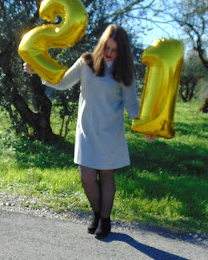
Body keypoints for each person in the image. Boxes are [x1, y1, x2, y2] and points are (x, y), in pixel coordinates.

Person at [24, 24, 152, 239]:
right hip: (87, 128)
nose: (109, 53)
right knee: (86, 176)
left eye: (115, 50)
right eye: (107, 47)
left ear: (122, 51)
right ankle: (97, 213)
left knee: (106, 175)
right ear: (101, 44)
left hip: (110, 130)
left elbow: (132, 104)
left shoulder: (125, 71)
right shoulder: (86, 62)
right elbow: (63, 82)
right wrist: (38, 70)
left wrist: (145, 128)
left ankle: (104, 219)